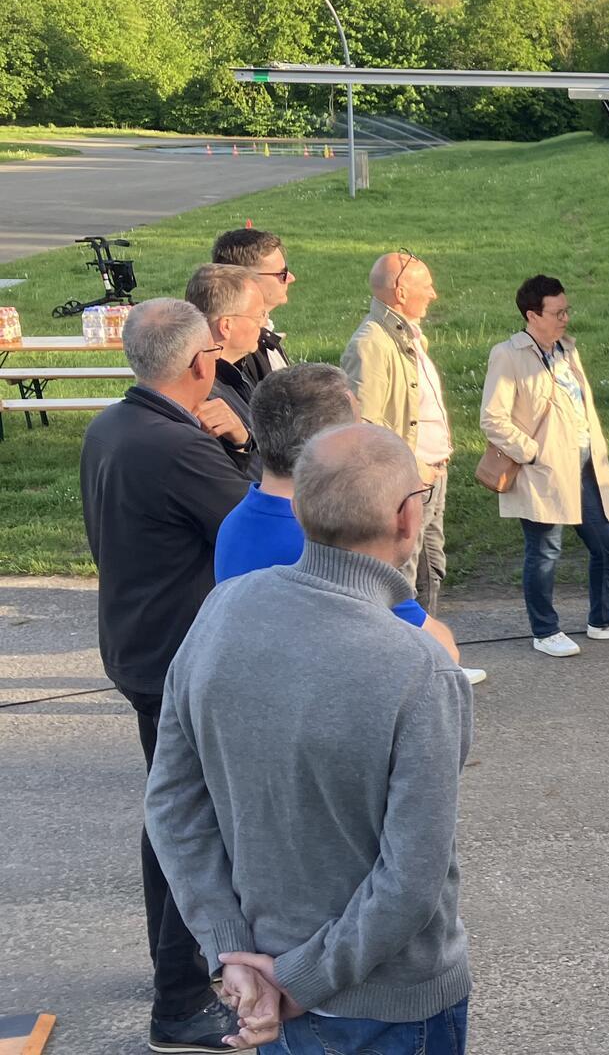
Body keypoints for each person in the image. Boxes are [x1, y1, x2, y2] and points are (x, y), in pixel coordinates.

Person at [148, 422, 475, 1055]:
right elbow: (410, 878)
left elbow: (171, 805)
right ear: (410, 518)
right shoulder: (421, 668)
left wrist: (231, 951)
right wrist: (302, 981)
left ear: (297, 506)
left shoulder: (221, 610)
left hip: (260, 980)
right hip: (388, 1006)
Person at [79, 298, 253, 1053]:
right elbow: (254, 527)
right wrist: (244, 448)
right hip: (180, 656)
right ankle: (180, 995)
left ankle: (182, 969)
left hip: (139, 644)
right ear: (199, 365)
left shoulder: (111, 426)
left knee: (174, 813)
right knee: (187, 823)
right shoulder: (177, 447)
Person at [213, 362, 486, 686]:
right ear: (331, 442)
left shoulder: (236, 520)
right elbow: (441, 650)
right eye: (358, 427)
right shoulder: (326, 541)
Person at [480, 275, 609, 657]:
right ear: (532, 315)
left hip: (586, 466)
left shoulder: (567, 350)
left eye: (566, 310)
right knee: (544, 550)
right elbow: (493, 418)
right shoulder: (508, 355)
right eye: (557, 312)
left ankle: (603, 620)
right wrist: (533, 453)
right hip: (543, 470)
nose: (565, 318)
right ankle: (545, 631)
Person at [342, 250, 451, 614]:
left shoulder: (408, 337)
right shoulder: (372, 343)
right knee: (402, 576)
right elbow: (364, 424)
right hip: (409, 481)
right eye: (427, 286)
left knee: (430, 569)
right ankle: (405, 662)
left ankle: (432, 656)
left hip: (430, 476)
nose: (434, 294)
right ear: (401, 292)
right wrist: (410, 468)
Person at [184, 262, 270, 476]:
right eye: (258, 315)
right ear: (226, 326)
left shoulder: (237, 369)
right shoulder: (203, 392)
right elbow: (246, 482)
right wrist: (243, 442)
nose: (263, 323)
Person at [211, 227, 295, 383]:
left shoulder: (263, 336)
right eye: (281, 274)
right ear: (246, 279)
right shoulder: (239, 347)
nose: (291, 278)